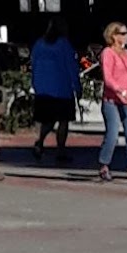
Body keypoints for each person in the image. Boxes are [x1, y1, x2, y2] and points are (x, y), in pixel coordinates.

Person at [96, 22, 127, 182]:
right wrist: (122, 92)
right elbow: (108, 79)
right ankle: (104, 164)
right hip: (112, 100)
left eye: (126, 33)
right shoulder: (107, 53)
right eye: (122, 33)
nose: (126, 36)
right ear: (113, 36)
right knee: (113, 134)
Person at [29, 22, 82, 158]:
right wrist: (77, 86)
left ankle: (40, 142)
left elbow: (34, 65)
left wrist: (35, 83)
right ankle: (60, 150)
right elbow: (71, 67)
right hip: (62, 89)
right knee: (63, 120)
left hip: (43, 89)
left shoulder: (39, 44)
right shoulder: (64, 45)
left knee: (48, 120)